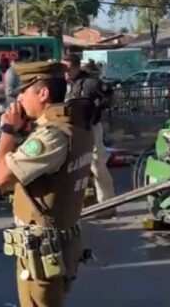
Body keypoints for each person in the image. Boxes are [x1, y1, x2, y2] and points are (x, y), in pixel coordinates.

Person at [0, 61, 94, 307]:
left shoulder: (51, 136)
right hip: (60, 242)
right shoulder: (75, 126)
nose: (19, 99)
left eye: (23, 92)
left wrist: (8, 132)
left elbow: (0, 178)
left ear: (43, 93)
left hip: (43, 248)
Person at [62, 54, 115, 219]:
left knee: (97, 164)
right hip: (69, 129)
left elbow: (111, 96)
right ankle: (73, 205)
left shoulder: (91, 83)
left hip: (90, 127)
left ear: (77, 67)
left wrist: (98, 111)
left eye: (68, 69)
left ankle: (107, 205)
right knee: (70, 167)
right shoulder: (63, 84)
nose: (65, 72)